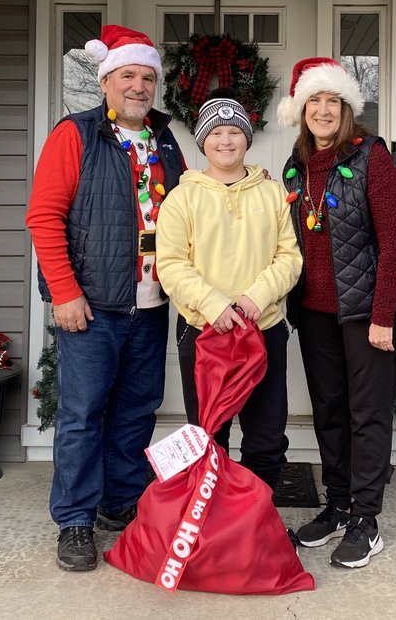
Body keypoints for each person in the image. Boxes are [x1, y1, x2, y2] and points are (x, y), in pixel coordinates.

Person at [26, 24, 186, 573]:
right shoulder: (76, 134)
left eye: (147, 77)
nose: (139, 87)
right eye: (128, 77)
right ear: (106, 82)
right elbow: (44, 217)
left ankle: (120, 502)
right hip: (90, 306)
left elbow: (189, 216)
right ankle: (74, 519)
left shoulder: (166, 141)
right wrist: (64, 293)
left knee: (137, 410)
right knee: (82, 413)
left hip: (151, 303)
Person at [277, 56, 396, 570]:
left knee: (366, 412)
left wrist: (383, 315)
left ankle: (366, 519)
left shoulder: (370, 157)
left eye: (331, 100)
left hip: (367, 310)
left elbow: (394, 237)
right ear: (299, 109)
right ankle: (337, 504)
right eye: (313, 100)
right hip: (315, 310)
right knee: (329, 409)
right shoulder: (295, 165)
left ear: (346, 108)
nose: (322, 109)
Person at [155, 89, 302, 506]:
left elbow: (289, 257)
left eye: (234, 131)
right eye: (215, 132)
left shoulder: (272, 194)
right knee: (209, 432)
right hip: (204, 333)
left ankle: (259, 519)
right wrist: (215, 305)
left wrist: (256, 298)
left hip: (264, 329)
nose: (225, 140)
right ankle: (213, 521)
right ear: (202, 140)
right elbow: (171, 264)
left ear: (246, 138)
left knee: (267, 432)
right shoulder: (183, 197)